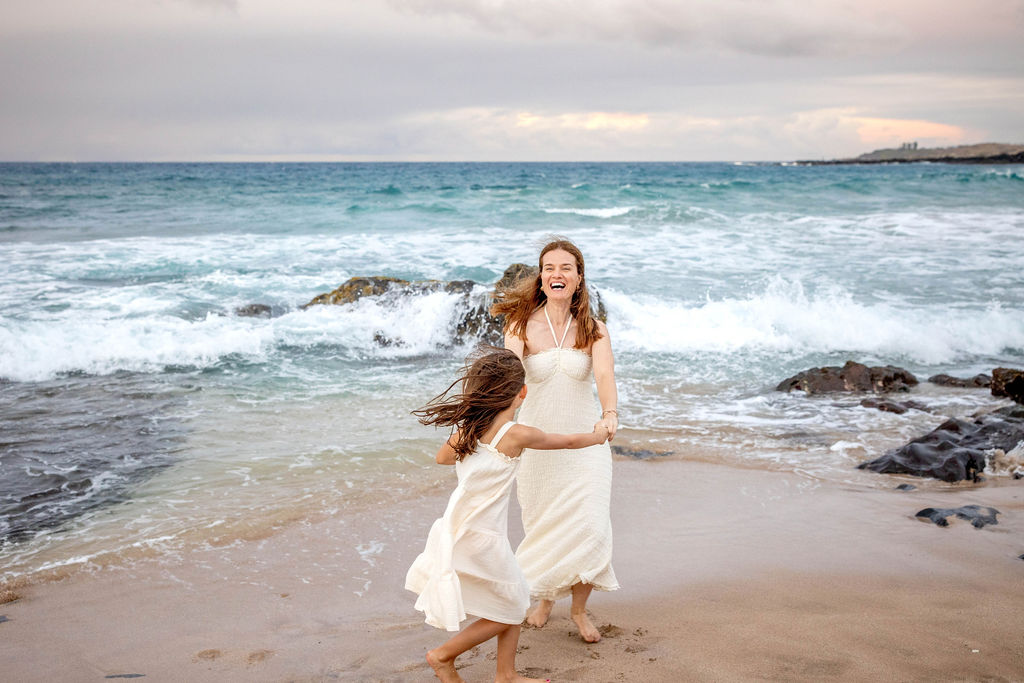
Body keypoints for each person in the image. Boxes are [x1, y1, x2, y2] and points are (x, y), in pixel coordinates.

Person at [406, 347, 609, 683]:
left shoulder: (466, 434)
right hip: (485, 538)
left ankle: (506, 674)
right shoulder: (515, 434)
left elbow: (442, 458)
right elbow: (569, 441)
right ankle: (443, 656)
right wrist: (599, 435)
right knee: (512, 608)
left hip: (460, 530)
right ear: (522, 393)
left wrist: (468, 438)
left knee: (512, 598)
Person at [490, 238, 619, 643]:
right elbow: (508, 382)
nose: (556, 274)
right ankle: (544, 598)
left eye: (566, 267)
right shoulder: (519, 326)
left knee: (592, 525)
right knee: (543, 526)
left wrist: (610, 415)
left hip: (587, 441)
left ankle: (579, 610)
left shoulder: (594, 329)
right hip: (539, 442)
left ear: (579, 278)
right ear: (541, 278)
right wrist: (497, 429)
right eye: (549, 268)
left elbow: (603, 377)